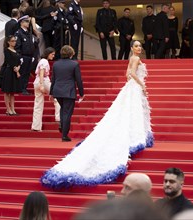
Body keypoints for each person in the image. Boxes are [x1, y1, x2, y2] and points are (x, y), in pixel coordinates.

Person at [41, 40, 153, 189]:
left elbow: (127, 74)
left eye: (140, 46)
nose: (139, 48)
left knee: (126, 111)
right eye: (136, 46)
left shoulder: (131, 58)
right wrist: (142, 84)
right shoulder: (136, 59)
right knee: (130, 111)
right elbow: (131, 73)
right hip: (73, 90)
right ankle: (65, 130)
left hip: (62, 90)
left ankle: (64, 128)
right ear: (132, 48)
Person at [49, 45, 84, 142]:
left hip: (57, 90)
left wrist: (51, 92)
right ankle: (64, 134)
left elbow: (53, 79)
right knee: (67, 112)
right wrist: (81, 93)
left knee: (63, 109)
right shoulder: (74, 64)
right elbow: (78, 80)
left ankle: (62, 124)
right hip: (68, 91)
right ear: (71, 53)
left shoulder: (56, 64)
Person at [31, 47, 60, 132]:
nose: (53, 56)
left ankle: (36, 126)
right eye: (52, 54)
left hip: (37, 82)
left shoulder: (41, 60)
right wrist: (41, 84)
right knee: (57, 97)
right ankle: (58, 117)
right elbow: (42, 71)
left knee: (38, 104)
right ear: (48, 53)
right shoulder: (44, 61)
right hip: (43, 81)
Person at [1, 35, 22, 116]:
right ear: (8, 42)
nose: (14, 42)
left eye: (15, 41)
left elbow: (19, 61)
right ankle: (8, 109)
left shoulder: (16, 51)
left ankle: (13, 108)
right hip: (9, 71)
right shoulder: (6, 50)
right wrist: (16, 70)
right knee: (7, 91)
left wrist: (19, 67)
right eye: (12, 41)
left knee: (12, 92)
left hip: (15, 70)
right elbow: (9, 61)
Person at [15, 15, 36, 95]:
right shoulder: (19, 33)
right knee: (23, 73)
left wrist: (33, 55)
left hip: (29, 56)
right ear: (21, 23)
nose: (28, 23)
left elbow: (32, 45)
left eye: (28, 21)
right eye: (26, 21)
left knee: (27, 73)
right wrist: (20, 57)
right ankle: (21, 88)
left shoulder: (28, 33)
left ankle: (24, 88)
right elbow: (18, 46)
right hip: (23, 56)